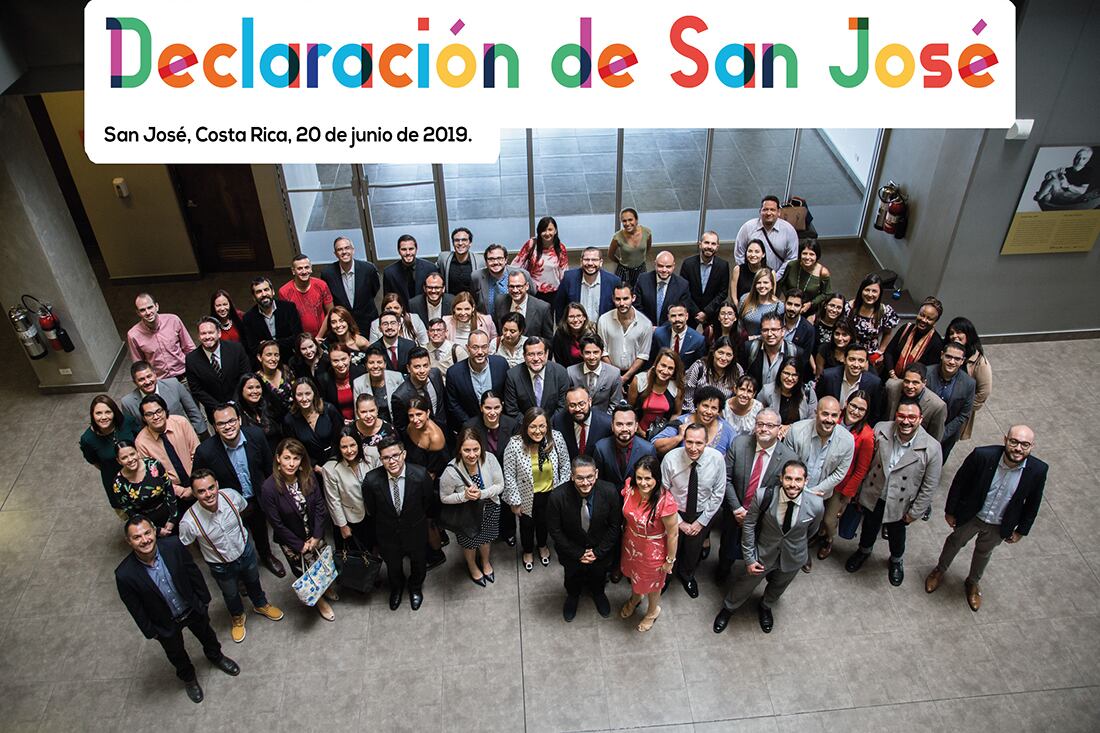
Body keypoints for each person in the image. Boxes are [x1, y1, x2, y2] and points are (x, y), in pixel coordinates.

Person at [115, 516, 239, 703]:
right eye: (137, 537)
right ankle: (188, 677)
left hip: (192, 608)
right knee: (176, 653)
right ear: (129, 541)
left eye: (147, 533)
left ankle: (216, 656)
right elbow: (135, 608)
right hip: (165, 622)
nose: (145, 540)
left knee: (207, 635)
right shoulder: (124, 574)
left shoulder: (173, 546)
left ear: (154, 531)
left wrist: (204, 601)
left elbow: (193, 572)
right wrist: (152, 632)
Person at [926, 425, 1047, 612]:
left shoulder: (1038, 470)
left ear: (1032, 446)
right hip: (972, 515)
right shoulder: (982, 456)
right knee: (954, 542)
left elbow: (1033, 502)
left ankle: (973, 582)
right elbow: (959, 483)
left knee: (984, 553)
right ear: (1005, 440)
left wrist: (1021, 531)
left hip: (999, 524)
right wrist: (950, 511)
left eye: (1025, 444)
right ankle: (939, 570)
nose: (1018, 448)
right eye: (1014, 442)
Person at [712, 460, 823, 635]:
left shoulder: (816, 504)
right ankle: (729, 608)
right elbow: (749, 525)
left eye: (798, 480)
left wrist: (796, 547)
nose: (793, 484)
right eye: (788, 478)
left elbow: (811, 531)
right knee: (744, 585)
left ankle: (766, 606)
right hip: (763, 553)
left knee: (779, 586)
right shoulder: (764, 496)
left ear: (805, 481)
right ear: (781, 478)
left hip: (793, 556)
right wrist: (750, 558)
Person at [844, 399, 943, 586]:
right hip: (874, 494)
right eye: (902, 416)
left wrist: (915, 512)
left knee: (897, 534)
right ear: (895, 416)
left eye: (912, 417)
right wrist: (859, 492)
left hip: (901, 503)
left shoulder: (932, 448)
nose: (906, 421)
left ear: (920, 419)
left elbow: (929, 486)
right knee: (869, 526)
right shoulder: (881, 429)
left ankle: (896, 560)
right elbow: (866, 462)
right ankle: (864, 550)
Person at [178, 470, 284, 643]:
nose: (208, 494)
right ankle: (237, 616)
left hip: (245, 551)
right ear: (194, 494)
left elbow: (243, 510)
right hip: (220, 564)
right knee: (231, 593)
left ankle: (261, 604)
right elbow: (186, 544)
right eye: (201, 491)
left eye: (211, 488)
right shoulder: (189, 521)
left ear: (217, 485)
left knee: (253, 580)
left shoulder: (231, 496)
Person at [192, 402, 285, 577]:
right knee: (232, 539)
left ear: (239, 420)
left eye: (231, 421)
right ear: (215, 427)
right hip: (227, 505)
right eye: (221, 424)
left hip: (255, 497)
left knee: (260, 530)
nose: (228, 427)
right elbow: (198, 481)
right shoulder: (205, 452)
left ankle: (266, 556)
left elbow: (268, 466)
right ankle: (240, 573)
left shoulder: (256, 435)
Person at [715, 409, 797, 582]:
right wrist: (737, 509)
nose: (764, 429)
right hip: (735, 509)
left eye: (770, 425)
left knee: (756, 552)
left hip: (764, 517)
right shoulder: (739, 444)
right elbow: (726, 479)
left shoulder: (788, 458)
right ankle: (723, 569)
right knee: (728, 545)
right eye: (760, 424)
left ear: (779, 428)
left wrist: (754, 515)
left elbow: (783, 493)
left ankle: (748, 579)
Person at [259, 438, 335, 620]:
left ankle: (326, 587)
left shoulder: (307, 476)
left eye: (296, 458)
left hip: (314, 533)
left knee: (320, 564)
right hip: (292, 539)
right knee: (304, 571)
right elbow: (276, 523)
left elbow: (319, 505)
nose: (291, 463)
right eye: (287, 458)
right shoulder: (269, 488)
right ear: (278, 458)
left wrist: (317, 535)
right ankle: (319, 601)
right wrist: (299, 545)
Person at [781, 397, 855, 570]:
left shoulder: (847, 440)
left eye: (834, 415)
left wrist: (815, 491)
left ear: (839, 415)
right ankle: (789, 551)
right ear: (816, 413)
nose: (829, 419)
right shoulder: (796, 431)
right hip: (794, 487)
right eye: (825, 414)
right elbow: (788, 465)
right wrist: (801, 489)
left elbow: (840, 473)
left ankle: (806, 550)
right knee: (791, 522)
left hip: (823, 491)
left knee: (819, 522)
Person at [363, 435, 433, 610]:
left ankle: (415, 588)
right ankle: (397, 588)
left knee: (418, 562)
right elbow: (372, 509)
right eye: (386, 457)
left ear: (404, 454)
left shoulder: (420, 475)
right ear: (381, 459)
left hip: (415, 530)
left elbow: (427, 502)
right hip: (387, 533)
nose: (392, 461)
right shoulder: (371, 480)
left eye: (395, 455)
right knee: (393, 565)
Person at [547, 455, 621, 620]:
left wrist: (598, 552)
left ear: (596, 474)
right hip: (571, 551)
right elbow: (555, 530)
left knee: (599, 575)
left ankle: (598, 593)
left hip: (600, 550)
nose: (585, 482)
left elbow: (615, 526)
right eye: (580, 478)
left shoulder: (609, 492)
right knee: (572, 576)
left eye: (590, 477)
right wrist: (578, 553)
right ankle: (573, 596)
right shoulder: (557, 496)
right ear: (572, 476)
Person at [661, 423, 726, 597]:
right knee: (669, 547)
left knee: (693, 550)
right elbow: (663, 492)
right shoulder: (670, 458)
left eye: (699, 443)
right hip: (674, 511)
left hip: (702, 513)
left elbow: (718, 493)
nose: (693, 448)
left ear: (707, 442)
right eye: (689, 442)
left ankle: (687, 575)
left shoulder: (717, 459)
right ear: (684, 440)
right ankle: (666, 576)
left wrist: (701, 522)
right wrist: (679, 522)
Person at [503, 407, 570, 572]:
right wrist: (514, 502)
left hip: (550, 493)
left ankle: (542, 545)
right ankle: (527, 551)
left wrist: (561, 492)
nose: (538, 431)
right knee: (526, 525)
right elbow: (509, 475)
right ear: (525, 426)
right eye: (533, 426)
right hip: (526, 495)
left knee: (544, 523)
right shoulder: (515, 444)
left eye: (542, 426)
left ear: (547, 426)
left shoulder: (556, 438)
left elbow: (565, 465)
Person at [618, 455, 679, 632]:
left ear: (656, 478)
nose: (643, 483)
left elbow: (673, 534)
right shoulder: (630, 487)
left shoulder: (665, 501)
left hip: (653, 549)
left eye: (648, 478)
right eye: (639, 478)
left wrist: (670, 560)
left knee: (653, 583)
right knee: (634, 575)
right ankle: (636, 597)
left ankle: (652, 611)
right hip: (631, 541)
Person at [440, 428, 505, 585]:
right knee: (469, 543)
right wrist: (464, 496)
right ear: (459, 450)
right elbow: (444, 498)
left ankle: (485, 561)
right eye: (467, 450)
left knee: (486, 539)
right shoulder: (451, 471)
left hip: (490, 508)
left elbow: (500, 485)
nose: (472, 454)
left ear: (481, 447)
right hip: (466, 514)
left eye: (476, 449)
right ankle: (472, 565)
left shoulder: (489, 459)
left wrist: (482, 494)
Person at [815, 391, 875, 560]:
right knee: (817, 511)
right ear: (847, 404)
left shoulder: (866, 435)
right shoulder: (834, 418)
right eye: (853, 406)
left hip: (841, 485)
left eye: (861, 409)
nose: (855, 411)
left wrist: (847, 495)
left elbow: (861, 470)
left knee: (829, 519)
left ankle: (828, 539)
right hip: (821, 475)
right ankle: (818, 533)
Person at [402, 397, 449, 569]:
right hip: (414, 475)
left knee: (428, 521)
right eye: (411, 415)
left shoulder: (435, 437)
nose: (415, 419)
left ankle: (437, 555)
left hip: (429, 484)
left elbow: (433, 473)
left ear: (428, 413)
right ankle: (441, 537)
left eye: (419, 414)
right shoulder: (411, 427)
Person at [321, 426, 377, 556]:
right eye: (344, 447)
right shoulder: (330, 469)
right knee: (359, 553)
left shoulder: (372, 455)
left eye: (353, 445)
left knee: (375, 547)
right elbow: (333, 501)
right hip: (352, 517)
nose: (349, 451)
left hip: (374, 512)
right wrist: (342, 526)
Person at [81, 394, 143, 511]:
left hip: (140, 471)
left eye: (108, 412)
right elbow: (95, 462)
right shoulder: (87, 439)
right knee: (130, 514)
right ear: (92, 415)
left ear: (114, 412)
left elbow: (142, 440)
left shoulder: (127, 421)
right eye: (98, 413)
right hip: (116, 480)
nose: (103, 417)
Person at [134, 394, 200, 499]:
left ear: (165, 411)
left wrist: (197, 481)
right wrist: (181, 492)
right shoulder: (141, 442)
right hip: (171, 490)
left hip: (197, 477)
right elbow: (154, 476)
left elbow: (197, 452)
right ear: (144, 418)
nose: (156, 417)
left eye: (159, 411)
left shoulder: (181, 423)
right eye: (149, 414)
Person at [739, 313, 811, 408]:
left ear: (783, 331)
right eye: (765, 330)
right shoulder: (750, 348)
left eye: (774, 330)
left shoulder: (795, 352)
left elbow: (799, 381)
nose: (769, 334)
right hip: (753, 404)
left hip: (782, 405)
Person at [185, 317, 250, 422]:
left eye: (211, 332)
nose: (207, 337)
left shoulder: (236, 349)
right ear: (199, 336)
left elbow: (245, 376)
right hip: (214, 411)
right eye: (203, 333)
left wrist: (234, 402)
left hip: (242, 405)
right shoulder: (191, 359)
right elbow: (196, 389)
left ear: (219, 333)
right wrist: (218, 407)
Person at [121, 361, 208, 436]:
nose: (147, 382)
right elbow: (134, 429)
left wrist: (201, 434)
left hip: (182, 433)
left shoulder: (173, 385)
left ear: (155, 374)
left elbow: (192, 411)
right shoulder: (128, 403)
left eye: (149, 376)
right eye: (141, 379)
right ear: (135, 382)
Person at [317, 235, 381, 336]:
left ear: (353, 250)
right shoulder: (328, 274)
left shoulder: (368, 269)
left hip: (367, 321)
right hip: (342, 325)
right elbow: (329, 299)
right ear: (335, 254)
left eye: (347, 248)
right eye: (340, 249)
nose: (344, 252)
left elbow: (374, 289)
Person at [446, 330, 508, 429]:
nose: (480, 352)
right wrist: (470, 425)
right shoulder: (454, 373)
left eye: (484, 347)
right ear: (467, 348)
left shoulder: (501, 364)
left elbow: (507, 395)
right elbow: (453, 404)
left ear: (488, 347)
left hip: (498, 425)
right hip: (469, 426)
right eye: (475, 347)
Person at [926, 341, 977, 462]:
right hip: (922, 427)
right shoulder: (926, 373)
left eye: (957, 359)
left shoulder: (969, 383)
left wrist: (942, 435)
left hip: (947, 434)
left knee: (937, 462)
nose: (952, 362)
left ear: (962, 361)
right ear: (942, 355)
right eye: (948, 356)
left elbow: (963, 414)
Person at [126, 293, 196, 382]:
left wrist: (195, 370)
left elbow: (189, 348)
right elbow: (139, 365)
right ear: (138, 313)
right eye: (142, 310)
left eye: (150, 307)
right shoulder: (133, 335)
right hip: (161, 381)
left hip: (184, 374)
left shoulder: (173, 320)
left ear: (157, 306)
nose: (148, 312)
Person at [944, 317, 993, 443]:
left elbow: (984, 392)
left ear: (968, 334)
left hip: (957, 412)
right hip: (942, 403)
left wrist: (965, 407)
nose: (954, 336)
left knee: (948, 440)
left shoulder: (980, 362)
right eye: (951, 333)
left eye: (959, 332)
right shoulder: (946, 351)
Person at [112, 442, 179, 532]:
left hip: (169, 510)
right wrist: (155, 530)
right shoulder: (118, 483)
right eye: (124, 458)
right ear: (118, 461)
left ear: (137, 452)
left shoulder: (153, 464)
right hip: (146, 523)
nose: (130, 459)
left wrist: (173, 518)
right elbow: (129, 510)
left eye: (132, 454)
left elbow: (169, 489)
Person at [597, 283, 654, 387]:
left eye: (625, 299)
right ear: (613, 299)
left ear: (633, 298)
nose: (622, 303)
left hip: (635, 374)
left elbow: (643, 355)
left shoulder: (645, 323)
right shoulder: (603, 320)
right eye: (618, 299)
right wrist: (615, 376)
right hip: (608, 372)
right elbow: (602, 351)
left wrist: (625, 378)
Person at [653, 385, 737, 455]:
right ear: (697, 405)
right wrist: (679, 437)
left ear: (719, 411)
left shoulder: (727, 430)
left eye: (714, 408)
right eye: (705, 406)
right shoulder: (681, 422)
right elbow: (655, 446)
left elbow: (736, 455)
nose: (709, 412)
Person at [592, 404, 657, 491]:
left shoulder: (648, 449)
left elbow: (652, 481)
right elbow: (598, 482)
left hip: (638, 496)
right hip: (609, 497)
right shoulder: (601, 448)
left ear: (636, 426)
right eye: (619, 424)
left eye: (629, 424)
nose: (624, 429)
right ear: (612, 426)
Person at [281, 377, 344, 468]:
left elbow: (341, 436)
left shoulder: (329, 410)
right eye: (299, 395)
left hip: (338, 461)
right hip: (310, 467)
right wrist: (314, 466)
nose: (304, 398)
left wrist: (334, 462)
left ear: (314, 393)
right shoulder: (289, 420)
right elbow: (295, 449)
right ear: (294, 397)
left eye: (308, 394)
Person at [816, 343, 884, 425]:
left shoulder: (874, 383)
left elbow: (874, 414)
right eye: (852, 359)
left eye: (861, 361)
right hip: (828, 423)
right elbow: (818, 403)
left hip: (857, 427)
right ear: (844, 360)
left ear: (866, 363)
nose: (856, 365)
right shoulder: (828, 377)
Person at [504, 336, 570, 420]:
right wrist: (532, 425)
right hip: (524, 426)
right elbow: (512, 410)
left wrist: (546, 425)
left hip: (554, 425)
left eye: (540, 354)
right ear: (524, 356)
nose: (536, 359)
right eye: (531, 354)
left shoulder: (560, 373)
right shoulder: (513, 376)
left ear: (546, 354)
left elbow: (563, 407)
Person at [734, 196, 799, 279]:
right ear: (760, 211)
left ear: (779, 212)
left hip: (778, 278)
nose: (768, 213)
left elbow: (791, 259)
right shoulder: (747, 228)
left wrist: (774, 278)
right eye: (765, 209)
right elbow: (739, 254)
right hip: (750, 279)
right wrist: (748, 275)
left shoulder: (789, 230)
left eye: (772, 210)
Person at [241, 276, 303, 362]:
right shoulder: (248, 318)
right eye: (259, 292)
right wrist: (284, 341)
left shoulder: (289, 308)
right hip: (265, 363)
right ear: (254, 297)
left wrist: (268, 344)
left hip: (290, 359)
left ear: (272, 291)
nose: (264, 294)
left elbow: (297, 337)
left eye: (266, 290)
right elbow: (253, 347)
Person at [882, 296, 944, 379]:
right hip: (889, 376)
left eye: (929, 319)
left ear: (935, 322)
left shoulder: (937, 343)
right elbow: (888, 352)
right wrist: (892, 374)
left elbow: (929, 371)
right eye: (922, 315)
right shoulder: (906, 328)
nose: (924, 320)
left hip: (913, 384)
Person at [681, 230, 731, 332]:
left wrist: (706, 312)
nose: (709, 246)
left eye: (713, 244)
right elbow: (683, 291)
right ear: (700, 244)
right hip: (690, 312)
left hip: (712, 313)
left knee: (712, 340)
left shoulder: (723, 266)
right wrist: (696, 312)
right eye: (706, 242)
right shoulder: (688, 264)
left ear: (717, 247)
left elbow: (723, 292)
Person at [628, 349, 684, 438]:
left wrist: (667, 432)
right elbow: (629, 409)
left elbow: (677, 413)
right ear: (656, 364)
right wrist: (638, 429)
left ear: (674, 371)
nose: (665, 371)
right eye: (663, 365)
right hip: (637, 431)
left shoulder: (676, 388)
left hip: (662, 435)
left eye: (670, 368)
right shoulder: (639, 381)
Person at [882, 364, 947, 441]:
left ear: (924, 383)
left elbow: (935, 438)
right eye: (906, 381)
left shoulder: (937, 406)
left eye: (915, 382)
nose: (910, 386)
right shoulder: (891, 387)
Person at [554, 246, 620, 321]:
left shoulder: (613, 281)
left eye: (594, 260)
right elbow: (559, 307)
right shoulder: (569, 278)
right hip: (576, 326)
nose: (590, 263)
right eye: (586, 259)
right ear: (581, 262)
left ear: (601, 262)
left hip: (602, 327)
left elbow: (617, 309)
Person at [391, 347, 447, 433]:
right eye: (417, 367)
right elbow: (401, 429)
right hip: (420, 436)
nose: (422, 371)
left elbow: (443, 403)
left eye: (425, 366)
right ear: (408, 368)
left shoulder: (435, 374)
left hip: (444, 431)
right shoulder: (400, 396)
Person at [514, 215, 569, 302]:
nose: (547, 233)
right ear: (539, 232)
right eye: (543, 230)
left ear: (555, 231)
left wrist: (565, 293)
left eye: (550, 229)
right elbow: (516, 264)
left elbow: (564, 273)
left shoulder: (560, 248)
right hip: (533, 291)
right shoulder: (532, 244)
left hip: (554, 292)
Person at [843, 273, 899, 356]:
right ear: (861, 290)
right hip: (849, 350)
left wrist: (880, 352)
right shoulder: (849, 307)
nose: (870, 294)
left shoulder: (885, 311)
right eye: (867, 290)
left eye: (874, 291)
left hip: (870, 353)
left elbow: (887, 333)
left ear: (880, 293)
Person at [279, 254, 334, 338]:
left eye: (307, 267)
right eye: (300, 268)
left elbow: (330, 311)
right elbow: (287, 321)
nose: (304, 271)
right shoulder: (284, 292)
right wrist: (303, 341)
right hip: (300, 340)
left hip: (323, 336)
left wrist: (319, 336)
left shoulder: (321, 285)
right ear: (293, 271)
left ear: (311, 268)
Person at [471, 243, 535, 315]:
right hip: (487, 320)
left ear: (506, 260)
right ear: (486, 262)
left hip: (516, 320)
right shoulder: (477, 276)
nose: (495, 262)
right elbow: (472, 301)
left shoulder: (522, 275)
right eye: (491, 259)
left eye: (499, 258)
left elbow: (533, 297)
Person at [567, 334, 624, 414]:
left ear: (602, 352)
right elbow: (568, 401)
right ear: (581, 353)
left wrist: (605, 419)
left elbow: (615, 403)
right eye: (587, 353)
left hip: (604, 417)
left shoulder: (614, 373)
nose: (592, 357)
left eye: (596, 352)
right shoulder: (571, 372)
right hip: (578, 416)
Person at [553, 385, 613, 460]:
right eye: (572, 405)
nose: (577, 409)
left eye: (581, 404)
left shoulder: (606, 423)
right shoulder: (559, 421)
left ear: (589, 402)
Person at [636, 251, 694, 327]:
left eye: (668, 267)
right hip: (645, 327)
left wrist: (661, 330)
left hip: (669, 329)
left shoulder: (682, 285)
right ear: (655, 264)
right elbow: (637, 307)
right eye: (660, 266)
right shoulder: (643, 279)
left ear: (673, 266)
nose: (664, 270)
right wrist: (649, 326)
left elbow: (681, 312)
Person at [494, 269, 554, 339]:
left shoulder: (542, 308)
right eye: (512, 286)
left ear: (527, 286)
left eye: (519, 286)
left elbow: (548, 339)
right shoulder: (500, 301)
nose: (515, 290)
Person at [382, 234, 439, 307]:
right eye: (404, 249)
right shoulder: (389, 273)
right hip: (402, 311)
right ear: (398, 251)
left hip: (426, 309)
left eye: (411, 249)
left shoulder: (430, 268)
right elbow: (387, 300)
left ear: (416, 249)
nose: (408, 253)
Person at [352, 346, 405, 424]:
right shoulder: (358, 383)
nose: (375, 366)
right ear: (366, 365)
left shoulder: (397, 378)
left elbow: (405, 406)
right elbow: (358, 414)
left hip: (396, 424)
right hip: (369, 425)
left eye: (379, 362)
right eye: (371, 363)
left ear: (385, 364)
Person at [778, 239, 832, 315]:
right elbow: (782, 283)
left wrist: (811, 303)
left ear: (817, 256)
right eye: (804, 253)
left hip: (810, 309)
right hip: (791, 306)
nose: (807, 257)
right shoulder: (792, 265)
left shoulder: (823, 272)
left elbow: (827, 294)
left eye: (811, 254)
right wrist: (789, 298)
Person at [235, 373, 283, 455]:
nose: (255, 391)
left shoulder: (270, 406)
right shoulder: (237, 413)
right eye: (250, 388)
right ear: (241, 390)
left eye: (258, 387)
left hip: (276, 455)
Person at [315, 343, 364, 421]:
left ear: (350, 357)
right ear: (330, 361)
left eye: (343, 359)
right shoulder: (323, 380)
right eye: (335, 361)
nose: (340, 364)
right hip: (337, 423)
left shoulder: (361, 373)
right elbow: (324, 408)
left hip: (362, 420)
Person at [650, 302, 706, 370]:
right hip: (663, 372)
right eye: (673, 316)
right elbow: (652, 359)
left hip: (685, 375)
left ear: (686, 316)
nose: (677, 319)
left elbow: (699, 367)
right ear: (668, 318)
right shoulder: (658, 334)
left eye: (680, 315)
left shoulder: (698, 339)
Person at [766, 357, 818, 426]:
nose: (790, 378)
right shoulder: (767, 391)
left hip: (800, 431)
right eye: (786, 373)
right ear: (780, 373)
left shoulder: (808, 392)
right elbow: (759, 418)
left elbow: (812, 421)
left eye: (794, 375)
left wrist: (790, 427)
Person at [608, 207, 652, 287]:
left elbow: (648, 248)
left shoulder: (647, 232)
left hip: (641, 268)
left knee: (641, 289)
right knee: (619, 289)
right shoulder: (617, 237)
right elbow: (610, 254)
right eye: (624, 221)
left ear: (636, 220)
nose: (627, 223)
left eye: (630, 220)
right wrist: (620, 262)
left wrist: (640, 258)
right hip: (624, 269)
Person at [738, 267, 785, 338]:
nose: (762, 286)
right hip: (744, 341)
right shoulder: (745, 299)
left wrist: (755, 338)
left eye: (765, 282)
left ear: (772, 285)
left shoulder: (778, 306)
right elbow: (739, 323)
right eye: (758, 283)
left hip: (767, 342)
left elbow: (778, 332)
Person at [257, 339, 297, 420]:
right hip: (271, 422)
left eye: (276, 355)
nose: (273, 359)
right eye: (269, 355)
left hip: (294, 418)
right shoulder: (256, 379)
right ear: (260, 357)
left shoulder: (286, 371)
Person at [437, 226, 484, 295]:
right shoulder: (443, 258)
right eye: (457, 240)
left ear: (470, 243)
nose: (460, 243)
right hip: (451, 300)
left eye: (464, 240)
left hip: (472, 300)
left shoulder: (480, 260)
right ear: (453, 243)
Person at [350, 394, 395, 461]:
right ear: (357, 413)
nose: (368, 416)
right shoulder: (350, 430)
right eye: (363, 412)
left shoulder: (388, 429)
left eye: (372, 410)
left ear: (377, 410)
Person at [550, 302, 596, 367]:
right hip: (566, 370)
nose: (575, 320)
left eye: (579, 316)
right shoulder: (560, 334)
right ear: (566, 319)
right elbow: (559, 359)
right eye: (571, 316)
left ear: (584, 317)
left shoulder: (591, 334)